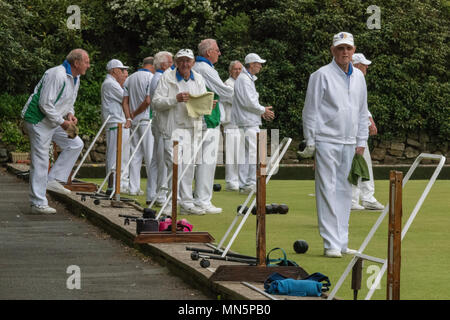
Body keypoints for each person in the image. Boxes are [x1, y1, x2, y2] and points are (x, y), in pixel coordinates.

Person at [300, 32, 369, 258]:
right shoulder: (320, 75)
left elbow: (361, 111)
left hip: (350, 142)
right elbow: (311, 111)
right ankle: (330, 242)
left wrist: (361, 140)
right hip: (326, 140)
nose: (345, 52)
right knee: (327, 190)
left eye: (348, 48)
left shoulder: (359, 77)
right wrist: (311, 141)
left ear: (353, 49)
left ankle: (342, 241)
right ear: (333, 51)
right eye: (340, 48)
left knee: (345, 191)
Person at [21, 49, 90, 214]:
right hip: (37, 120)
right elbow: (44, 104)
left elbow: (69, 100)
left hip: (55, 119)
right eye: (86, 61)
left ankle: (53, 179)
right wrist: (63, 122)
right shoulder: (56, 74)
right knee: (41, 159)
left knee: (75, 143)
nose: (88, 65)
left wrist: (70, 114)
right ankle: (37, 202)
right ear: (76, 63)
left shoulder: (76, 77)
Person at [152, 49, 210, 215]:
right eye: (182, 60)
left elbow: (201, 101)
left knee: (188, 166)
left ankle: (186, 202)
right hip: (172, 129)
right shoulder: (166, 78)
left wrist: (207, 105)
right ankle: (172, 201)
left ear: (192, 63)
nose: (185, 64)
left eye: (188, 61)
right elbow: (156, 103)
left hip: (191, 128)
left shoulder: (198, 78)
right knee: (174, 165)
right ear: (176, 62)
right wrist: (174, 99)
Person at [192, 39, 234, 214]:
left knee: (203, 161)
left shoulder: (202, 68)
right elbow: (226, 91)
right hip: (207, 120)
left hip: (207, 119)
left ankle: (200, 198)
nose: (219, 53)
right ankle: (203, 200)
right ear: (209, 52)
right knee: (206, 162)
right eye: (217, 50)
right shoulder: (205, 69)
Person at [231, 53, 274, 194]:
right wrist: (262, 109)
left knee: (249, 153)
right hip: (247, 122)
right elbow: (248, 102)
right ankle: (249, 183)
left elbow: (249, 102)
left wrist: (260, 110)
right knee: (253, 153)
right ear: (251, 65)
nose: (260, 66)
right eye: (258, 63)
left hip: (249, 121)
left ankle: (246, 184)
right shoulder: (244, 80)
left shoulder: (247, 79)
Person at [351, 53, 384, 211]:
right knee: (357, 163)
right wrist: (368, 122)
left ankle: (364, 198)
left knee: (362, 163)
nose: (367, 67)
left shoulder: (357, 79)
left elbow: (362, 104)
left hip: (357, 129)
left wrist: (369, 120)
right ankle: (358, 199)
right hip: (353, 131)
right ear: (356, 65)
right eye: (364, 64)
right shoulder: (354, 79)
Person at [122, 57, 154, 197]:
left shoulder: (130, 78)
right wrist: (134, 113)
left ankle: (133, 188)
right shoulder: (151, 77)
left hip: (134, 121)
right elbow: (148, 100)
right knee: (150, 155)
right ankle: (152, 190)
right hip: (146, 119)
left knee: (135, 155)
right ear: (152, 65)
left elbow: (125, 102)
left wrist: (129, 116)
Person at [147, 51, 173, 206]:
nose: (173, 65)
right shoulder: (161, 78)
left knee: (157, 160)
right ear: (164, 64)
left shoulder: (156, 77)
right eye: (170, 62)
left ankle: (154, 194)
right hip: (161, 123)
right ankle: (160, 195)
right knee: (161, 159)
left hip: (158, 123)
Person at [101, 59, 130, 194]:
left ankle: (117, 185)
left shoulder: (113, 83)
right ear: (114, 71)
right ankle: (112, 186)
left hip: (119, 122)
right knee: (114, 155)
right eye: (121, 70)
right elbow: (126, 98)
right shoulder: (110, 84)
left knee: (121, 154)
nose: (124, 73)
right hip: (115, 122)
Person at [223, 60, 243, 191]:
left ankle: (239, 180)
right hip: (230, 124)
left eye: (240, 69)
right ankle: (231, 180)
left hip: (241, 124)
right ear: (230, 71)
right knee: (232, 154)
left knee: (240, 154)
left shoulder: (242, 83)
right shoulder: (227, 84)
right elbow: (237, 100)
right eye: (235, 69)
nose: (238, 71)